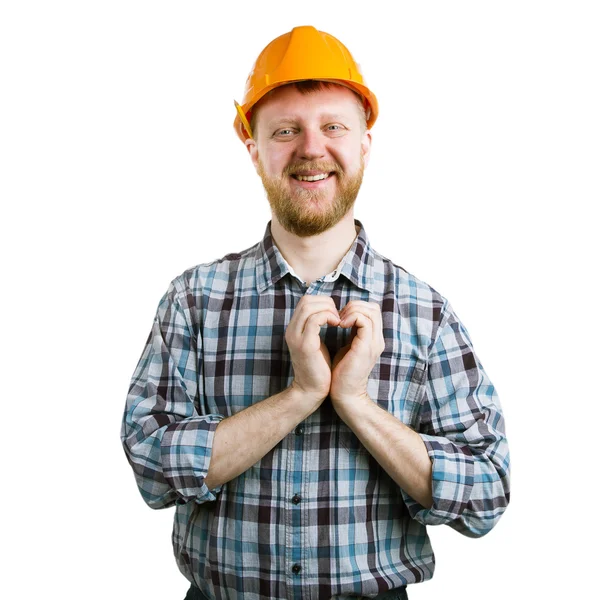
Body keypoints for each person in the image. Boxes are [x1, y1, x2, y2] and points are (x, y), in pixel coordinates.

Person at [121, 25, 510, 600]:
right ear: (253, 150)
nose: (311, 148)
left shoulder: (426, 313)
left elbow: (485, 494)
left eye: (333, 127)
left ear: (364, 145)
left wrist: (355, 404)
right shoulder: (194, 300)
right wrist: (298, 396)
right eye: (285, 131)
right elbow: (151, 468)